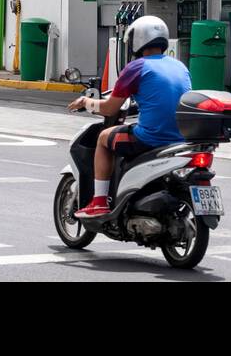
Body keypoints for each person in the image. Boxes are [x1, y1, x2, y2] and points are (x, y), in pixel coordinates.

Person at [67, 15, 191, 219]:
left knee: (103, 138)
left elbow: (109, 109)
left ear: (137, 41)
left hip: (151, 138)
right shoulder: (180, 66)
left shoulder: (136, 67)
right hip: (180, 139)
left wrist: (86, 102)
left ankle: (99, 201)